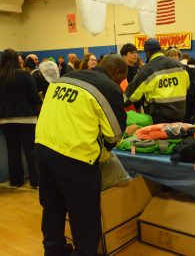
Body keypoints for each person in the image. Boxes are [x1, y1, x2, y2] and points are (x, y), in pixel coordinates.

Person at [35, 54, 127, 256]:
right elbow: (115, 133)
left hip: (43, 147)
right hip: (75, 156)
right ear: (117, 73)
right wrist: (105, 149)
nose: (120, 83)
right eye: (121, 79)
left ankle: (54, 250)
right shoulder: (108, 87)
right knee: (84, 215)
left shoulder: (66, 78)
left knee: (52, 206)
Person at [0, 49, 41, 188]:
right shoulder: (25, 75)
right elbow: (34, 97)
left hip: (6, 120)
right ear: (17, 60)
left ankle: (16, 181)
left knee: (13, 152)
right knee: (31, 152)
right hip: (27, 119)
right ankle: (35, 181)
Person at [124, 38, 190, 124]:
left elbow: (131, 96)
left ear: (148, 52)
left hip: (159, 118)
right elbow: (187, 85)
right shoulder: (179, 66)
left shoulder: (146, 70)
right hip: (180, 114)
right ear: (160, 49)